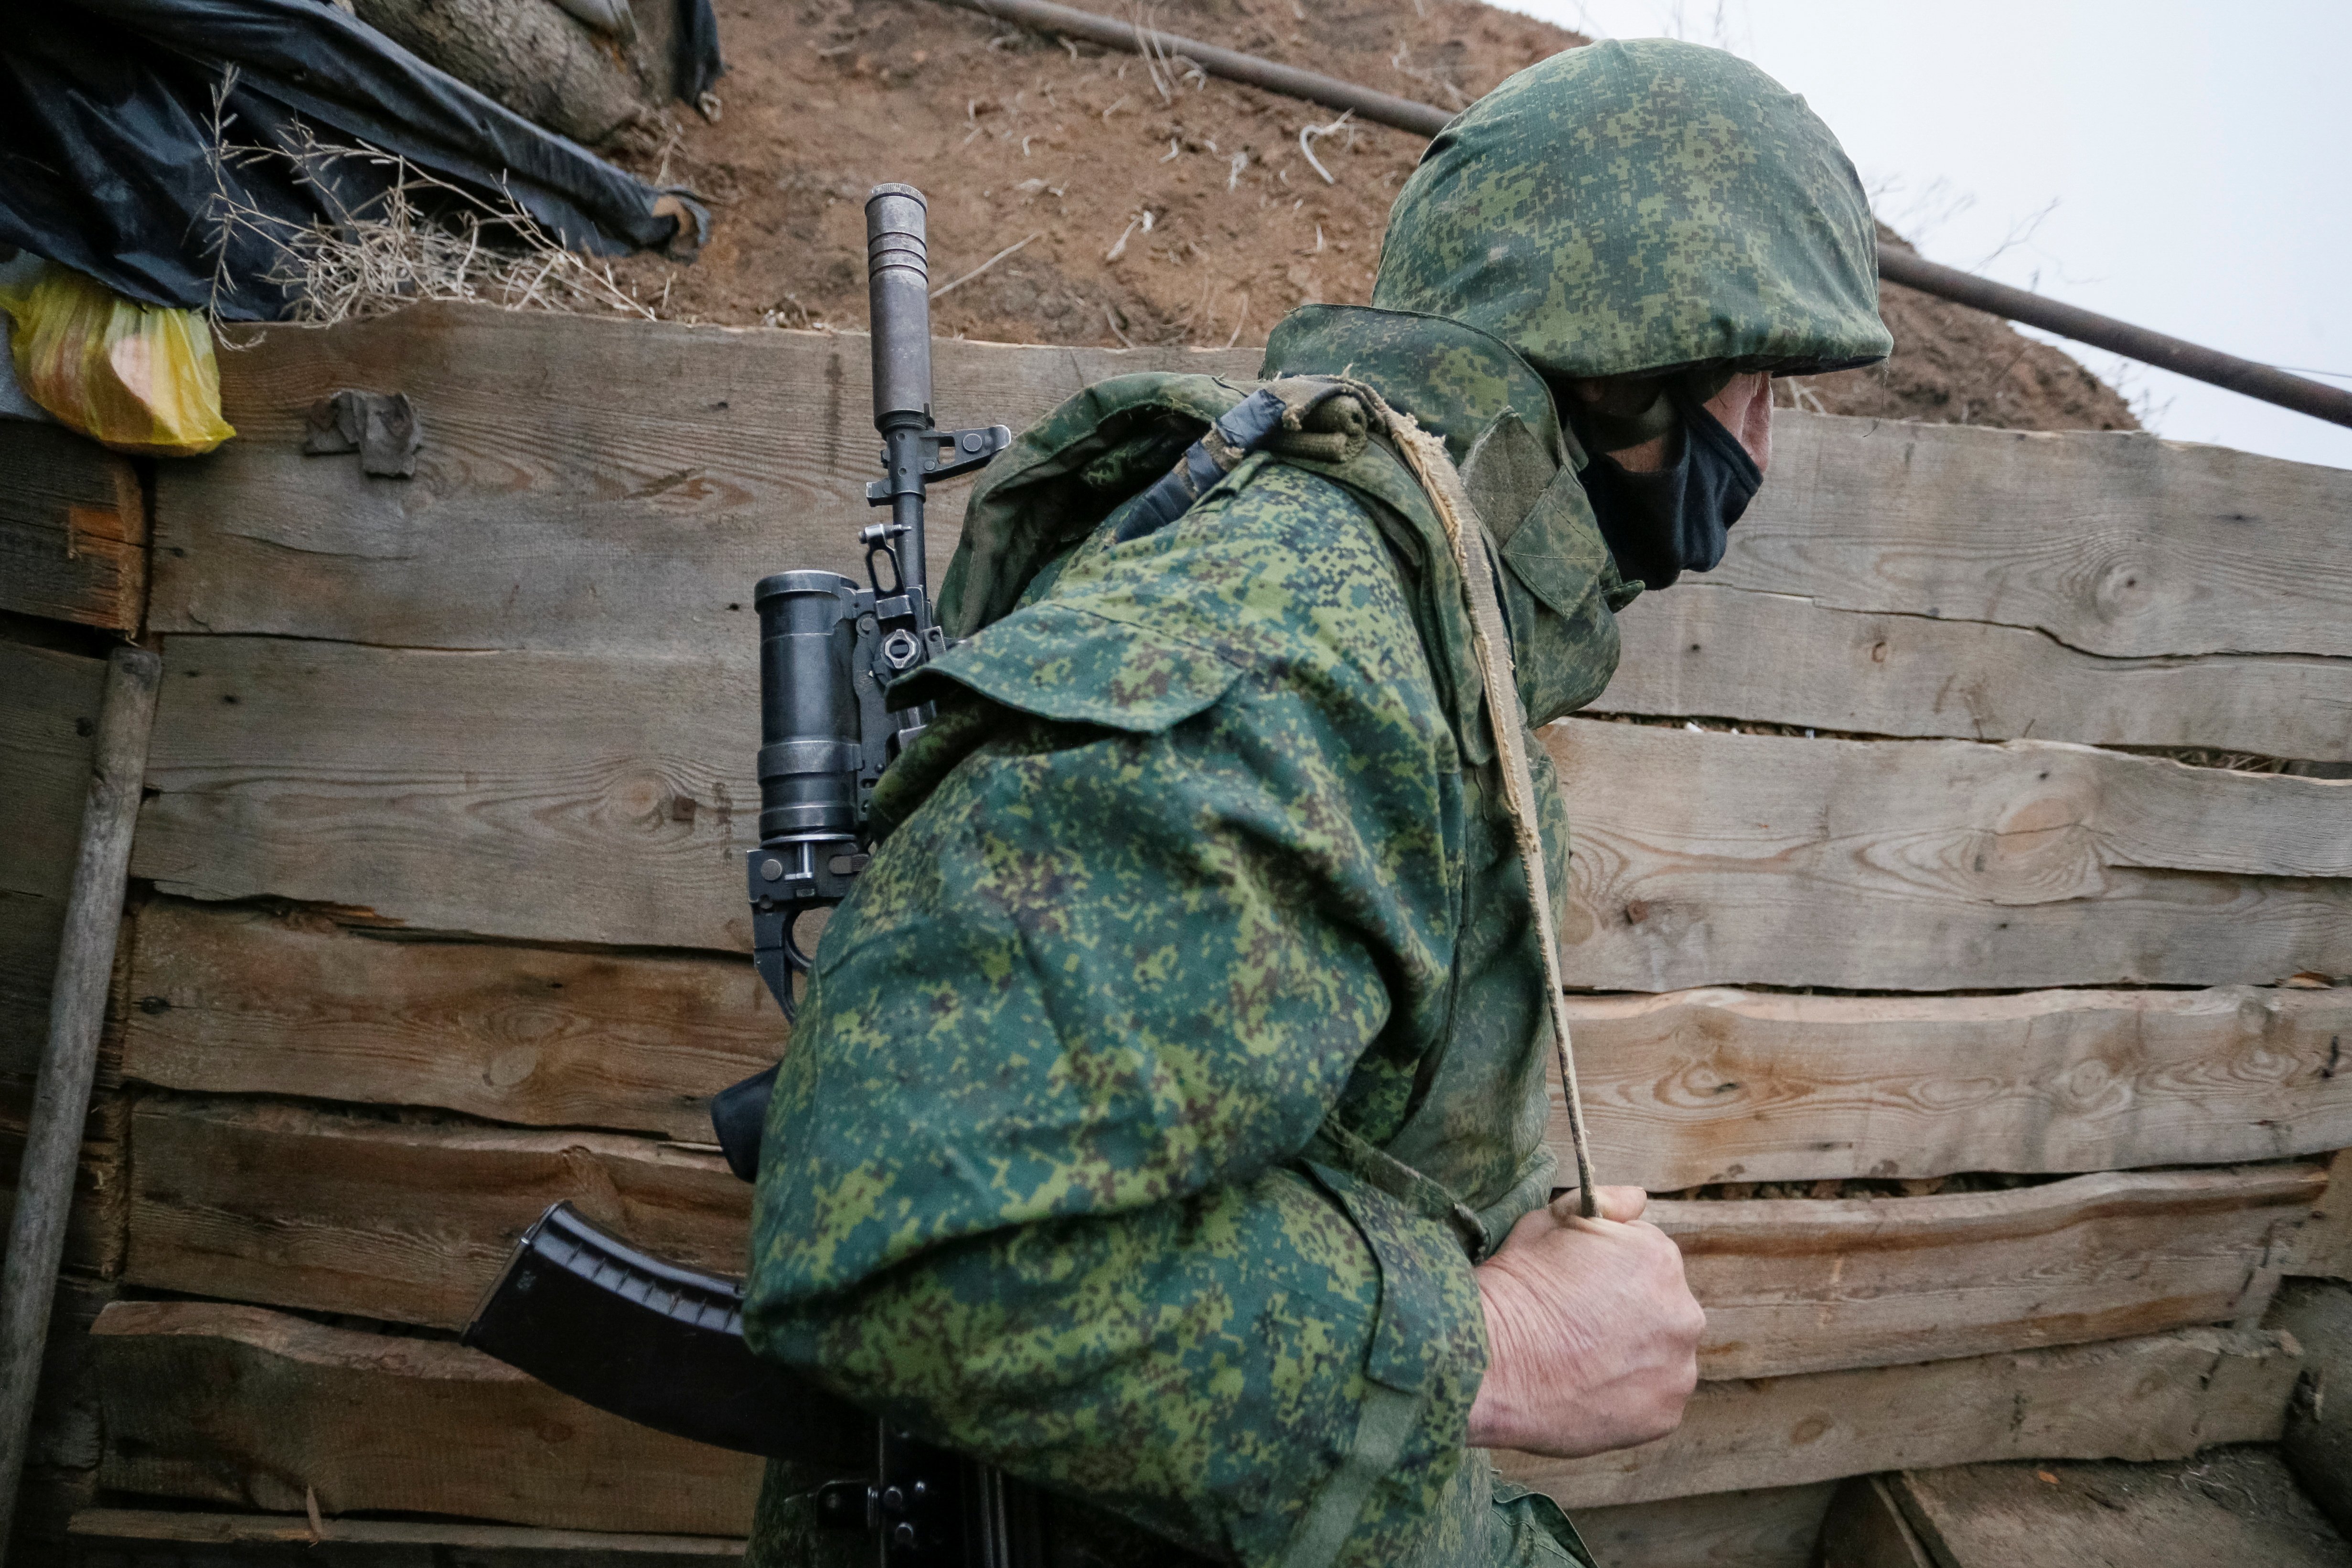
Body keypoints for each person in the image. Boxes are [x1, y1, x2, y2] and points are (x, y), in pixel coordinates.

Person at [740, 37, 1890, 1568]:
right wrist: (1495, 1340)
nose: (1759, 443)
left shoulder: (1417, 606)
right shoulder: (1296, 643)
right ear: (1640, 361)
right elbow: (909, 1251)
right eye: (1759, 381)